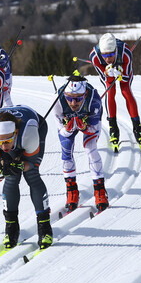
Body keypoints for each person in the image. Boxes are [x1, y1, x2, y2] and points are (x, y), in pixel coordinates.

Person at [0, 106, 52, 250]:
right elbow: (1, 161)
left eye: (7, 141)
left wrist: (20, 165)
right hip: (13, 135)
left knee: (32, 175)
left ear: (16, 132)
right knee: (11, 177)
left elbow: (30, 164)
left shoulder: (29, 135)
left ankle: (44, 227)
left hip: (36, 127)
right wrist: (4, 164)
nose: (3, 146)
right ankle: (11, 227)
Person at [52, 75, 107, 212]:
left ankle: (100, 191)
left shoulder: (94, 99)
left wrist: (84, 127)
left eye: (78, 98)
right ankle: (71, 191)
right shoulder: (57, 100)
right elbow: (61, 130)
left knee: (90, 148)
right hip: (68, 125)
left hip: (88, 124)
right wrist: (68, 129)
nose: (73, 103)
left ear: (85, 94)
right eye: (69, 97)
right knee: (66, 151)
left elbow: (94, 128)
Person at [88, 33, 141, 152]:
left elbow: (126, 77)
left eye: (110, 54)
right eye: (104, 55)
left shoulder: (126, 53)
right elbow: (105, 78)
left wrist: (120, 74)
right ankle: (113, 127)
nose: (107, 59)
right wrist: (108, 73)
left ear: (116, 50)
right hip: (107, 73)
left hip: (123, 70)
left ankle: (137, 127)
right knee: (110, 92)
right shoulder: (94, 57)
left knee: (126, 92)